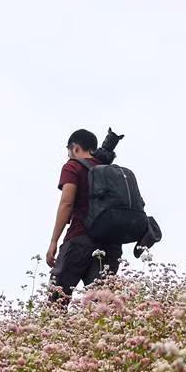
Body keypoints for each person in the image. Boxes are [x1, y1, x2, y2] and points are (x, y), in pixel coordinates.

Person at [46, 129, 124, 307]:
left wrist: (53, 241)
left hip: (79, 240)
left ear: (75, 147)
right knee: (102, 307)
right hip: (111, 245)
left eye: (68, 151)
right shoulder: (110, 171)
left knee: (56, 300)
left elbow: (66, 203)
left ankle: (53, 334)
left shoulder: (73, 166)